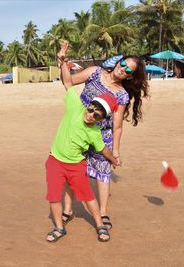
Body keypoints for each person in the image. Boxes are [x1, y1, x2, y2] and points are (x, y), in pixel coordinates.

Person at [59, 42, 149, 230]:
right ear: (118, 62)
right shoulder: (94, 72)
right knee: (71, 169)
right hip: (80, 129)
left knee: (103, 173)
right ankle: (68, 210)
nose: (123, 70)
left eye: (128, 70)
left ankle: (103, 212)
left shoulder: (122, 95)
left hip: (102, 134)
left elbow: (117, 127)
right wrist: (62, 63)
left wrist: (115, 151)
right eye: (123, 64)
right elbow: (68, 82)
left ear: (131, 76)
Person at [45, 45, 120, 243]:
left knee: (87, 196)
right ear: (89, 104)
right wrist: (62, 62)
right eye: (92, 108)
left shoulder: (95, 132)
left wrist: (113, 159)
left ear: (101, 119)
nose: (91, 114)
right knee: (54, 196)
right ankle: (59, 229)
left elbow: (103, 149)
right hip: (54, 161)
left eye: (98, 115)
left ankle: (100, 224)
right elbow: (68, 83)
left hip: (75, 166)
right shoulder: (75, 106)